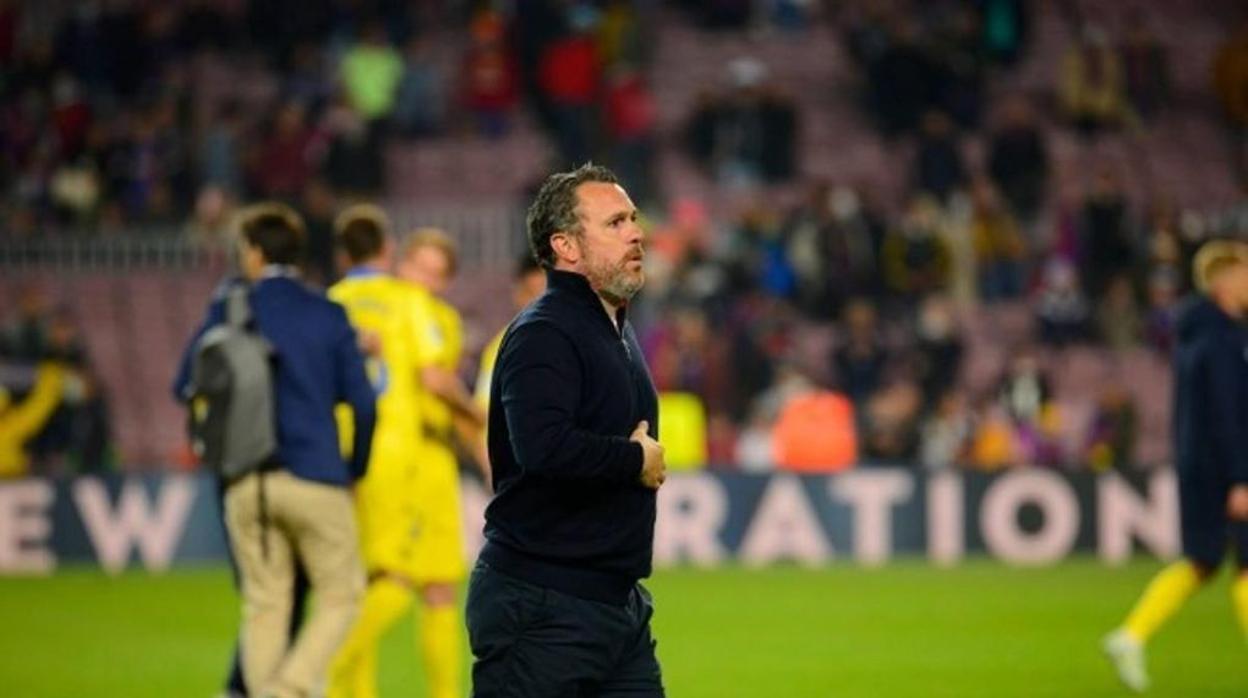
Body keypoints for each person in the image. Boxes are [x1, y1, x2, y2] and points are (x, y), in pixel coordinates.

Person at [468, 163, 667, 697]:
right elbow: (543, 447)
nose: (636, 233)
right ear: (567, 247)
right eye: (615, 223)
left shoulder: (613, 329)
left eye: (633, 218)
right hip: (543, 609)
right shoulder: (545, 332)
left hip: (616, 608)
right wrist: (635, 461)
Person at [175, 202, 376, 698]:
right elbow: (364, 404)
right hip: (317, 476)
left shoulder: (230, 305)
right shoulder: (328, 313)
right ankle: (287, 690)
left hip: (247, 479)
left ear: (255, 252)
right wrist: (354, 467)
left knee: (266, 606)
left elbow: (185, 383)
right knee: (342, 596)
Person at [1103, 240, 1248, 692]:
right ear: (1224, 281)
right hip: (1223, 468)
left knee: (1203, 561)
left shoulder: (1196, 333)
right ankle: (1131, 634)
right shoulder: (1222, 339)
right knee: (1244, 565)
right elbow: (1229, 412)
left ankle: (1131, 634)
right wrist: (1241, 476)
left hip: (1198, 463)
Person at [324, 204, 437, 698]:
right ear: (388, 250)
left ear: (341, 255)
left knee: (357, 583)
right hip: (393, 452)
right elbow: (431, 373)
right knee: (399, 577)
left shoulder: (327, 304)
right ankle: (322, 662)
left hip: (335, 454)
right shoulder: (408, 300)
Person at [387, 228, 489, 698]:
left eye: (434, 273)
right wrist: (475, 415)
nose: (423, 280)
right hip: (412, 459)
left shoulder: (370, 311)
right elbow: (437, 381)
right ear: (400, 264)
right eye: (418, 267)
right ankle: (327, 672)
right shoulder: (424, 317)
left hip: (424, 455)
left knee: (437, 586)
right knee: (399, 578)